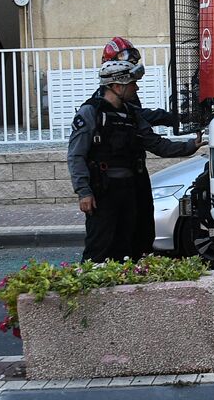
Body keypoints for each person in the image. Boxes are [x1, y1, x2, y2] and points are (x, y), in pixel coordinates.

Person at [67, 57, 200, 263]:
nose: (136, 88)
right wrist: (84, 192)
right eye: (131, 84)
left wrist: (191, 145)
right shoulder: (91, 112)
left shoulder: (132, 114)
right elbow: (76, 155)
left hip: (132, 190)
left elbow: (157, 144)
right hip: (104, 191)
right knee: (99, 247)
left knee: (133, 244)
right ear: (116, 86)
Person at [98, 37, 180, 253]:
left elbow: (141, 123)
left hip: (134, 174)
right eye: (127, 59)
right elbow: (144, 125)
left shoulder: (125, 95)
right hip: (112, 181)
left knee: (141, 231)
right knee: (109, 241)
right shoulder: (101, 107)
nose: (136, 87)